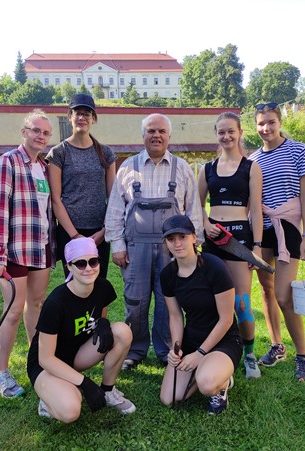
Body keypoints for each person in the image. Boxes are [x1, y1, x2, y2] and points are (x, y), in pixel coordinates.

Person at [104, 113, 203, 370]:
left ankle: (166, 349)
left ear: (169, 136)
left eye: (161, 131)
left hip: (173, 251)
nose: (156, 135)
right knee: (135, 301)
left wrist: (194, 246)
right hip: (134, 250)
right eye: (151, 131)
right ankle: (134, 350)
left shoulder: (181, 168)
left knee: (168, 301)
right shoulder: (128, 167)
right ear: (143, 135)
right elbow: (115, 211)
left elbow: (194, 209)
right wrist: (117, 246)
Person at [247, 102, 305, 382]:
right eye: (261, 123)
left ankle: (303, 356)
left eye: (271, 122)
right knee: (266, 291)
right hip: (262, 229)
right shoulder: (253, 160)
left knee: (284, 295)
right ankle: (277, 346)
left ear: (280, 122)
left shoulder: (299, 151)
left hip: (288, 229)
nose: (266, 128)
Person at [26, 237, 136, 421]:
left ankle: (108, 391)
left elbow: (99, 318)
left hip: (76, 354)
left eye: (93, 261)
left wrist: (103, 323)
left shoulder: (103, 287)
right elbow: (45, 359)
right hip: (46, 365)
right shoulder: (56, 303)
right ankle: (48, 398)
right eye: (80, 263)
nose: (88, 268)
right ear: (69, 266)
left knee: (122, 332)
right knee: (70, 410)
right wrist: (85, 383)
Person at [0, 109, 56, 397]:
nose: (41, 136)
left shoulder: (45, 167)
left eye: (46, 133)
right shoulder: (8, 162)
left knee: (36, 305)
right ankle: (1, 374)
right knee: (13, 310)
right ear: (24, 132)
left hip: (40, 248)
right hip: (14, 250)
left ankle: (36, 362)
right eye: (36, 130)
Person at [197, 112, 264, 380]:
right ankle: (216, 350)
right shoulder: (207, 169)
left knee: (242, 303)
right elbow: (196, 205)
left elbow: (256, 210)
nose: (226, 136)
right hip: (213, 239)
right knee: (212, 302)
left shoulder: (251, 167)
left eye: (231, 131)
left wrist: (257, 247)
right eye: (221, 132)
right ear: (216, 135)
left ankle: (249, 354)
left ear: (240, 133)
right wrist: (205, 224)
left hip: (239, 240)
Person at [159, 215, 241, 415]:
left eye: (183, 237)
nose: (177, 243)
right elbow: (175, 316)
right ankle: (205, 369)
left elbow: (226, 319)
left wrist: (200, 354)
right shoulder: (167, 275)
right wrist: (176, 349)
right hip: (193, 339)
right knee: (170, 399)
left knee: (207, 385)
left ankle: (222, 382)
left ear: (194, 238)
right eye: (171, 239)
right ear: (166, 243)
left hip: (224, 339)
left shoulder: (214, 267)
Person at [46, 94, 117, 279]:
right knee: (75, 284)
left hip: (99, 232)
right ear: (70, 116)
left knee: (98, 284)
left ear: (93, 118)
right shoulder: (59, 153)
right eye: (77, 113)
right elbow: (56, 199)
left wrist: (104, 231)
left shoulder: (105, 153)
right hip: (70, 231)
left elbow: (114, 197)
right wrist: (75, 235)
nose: (82, 117)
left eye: (87, 113)